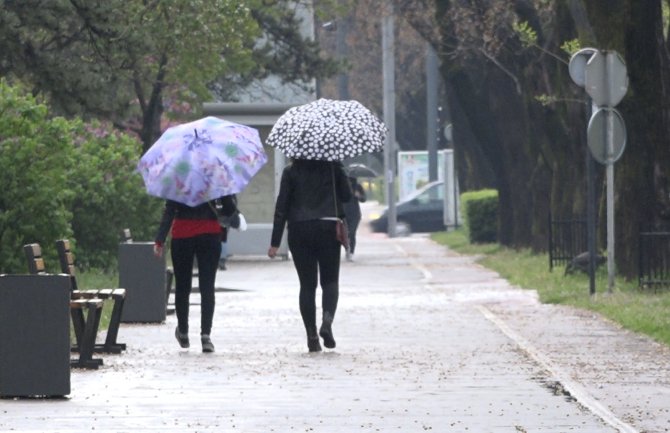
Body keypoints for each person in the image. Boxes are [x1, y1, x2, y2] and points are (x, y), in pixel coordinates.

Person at [267, 159, 352, 352]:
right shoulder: (333, 168)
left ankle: (312, 335)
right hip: (328, 227)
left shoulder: (290, 171)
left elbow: (282, 206)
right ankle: (327, 322)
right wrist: (340, 171)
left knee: (307, 285)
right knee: (330, 281)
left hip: (299, 228)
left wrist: (275, 241)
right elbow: (346, 197)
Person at [154, 195, 240, 353]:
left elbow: (170, 210)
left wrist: (160, 240)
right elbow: (229, 209)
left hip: (182, 234)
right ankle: (206, 336)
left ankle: (184, 332)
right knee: (207, 286)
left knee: (182, 286)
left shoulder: (179, 179)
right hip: (210, 233)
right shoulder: (214, 176)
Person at [343, 176, 367, 261]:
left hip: (355, 214)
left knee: (352, 233)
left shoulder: (357, 186)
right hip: (343, 214)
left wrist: (359, 196)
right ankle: (347, 249)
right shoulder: (342, 185)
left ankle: (351, 252)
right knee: (345, 234)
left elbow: (364, 199)